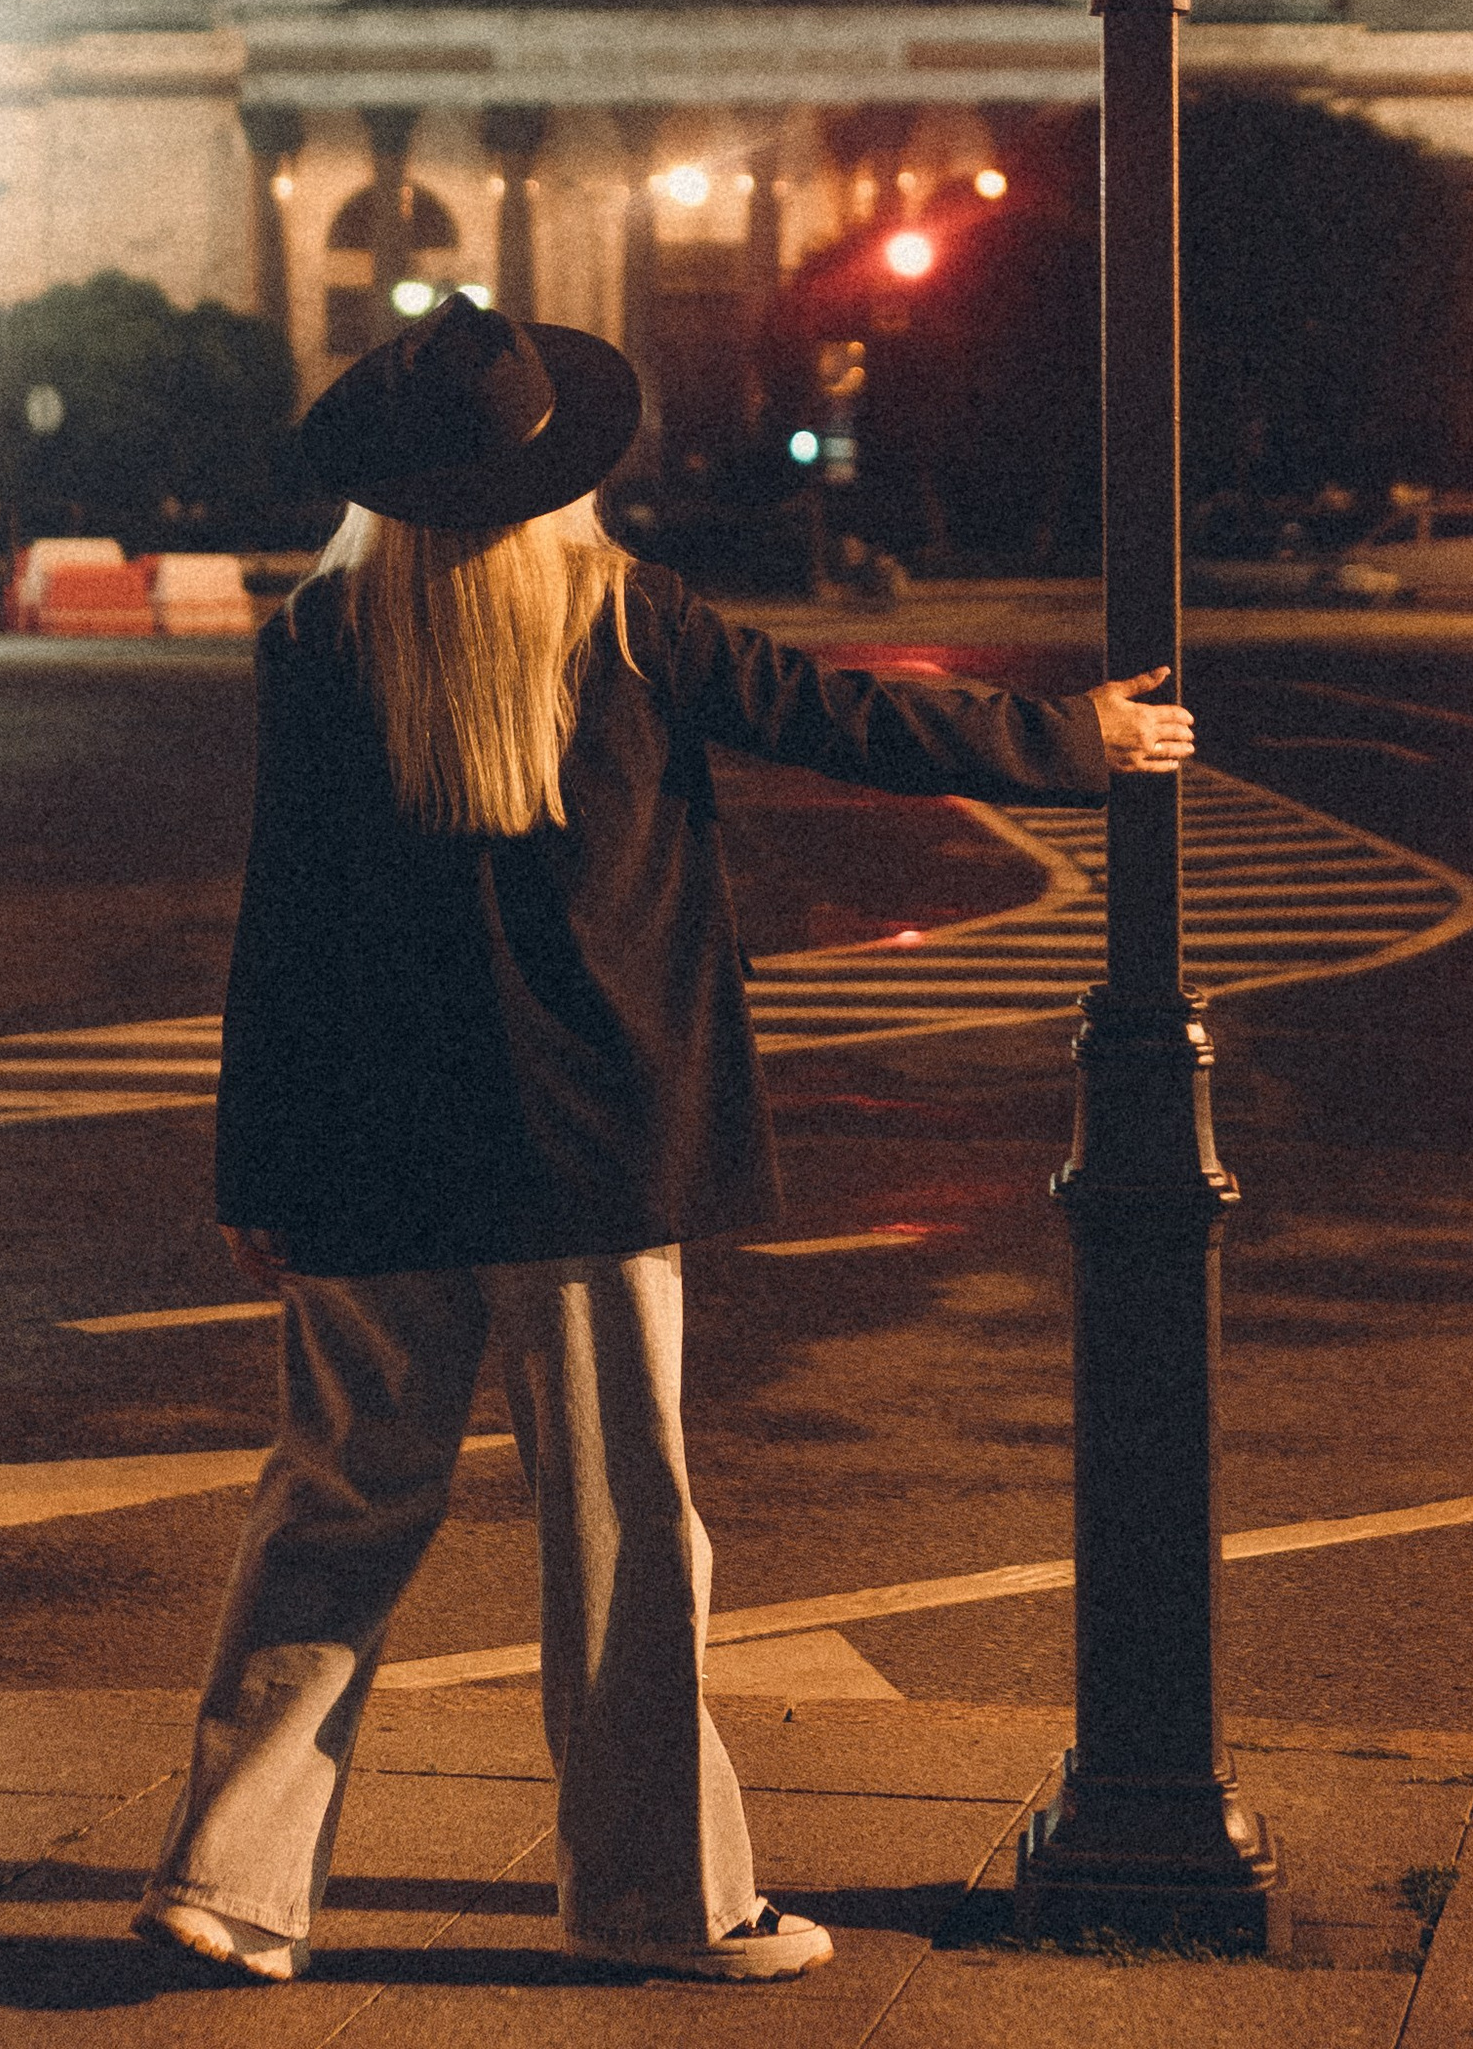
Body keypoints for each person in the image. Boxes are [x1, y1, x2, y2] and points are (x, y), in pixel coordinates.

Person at [133, 299, 1192, 1988]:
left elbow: (285, 927)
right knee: (625, 1533)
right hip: (591, 1145)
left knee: (332, 1512)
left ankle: (228, 1883)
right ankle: (656, 1900)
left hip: (367, 1152)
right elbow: (844, 721)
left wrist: (254, 1170)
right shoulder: (622, 616)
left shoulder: (324, 636)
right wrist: (1079, 740)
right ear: (559, 475)